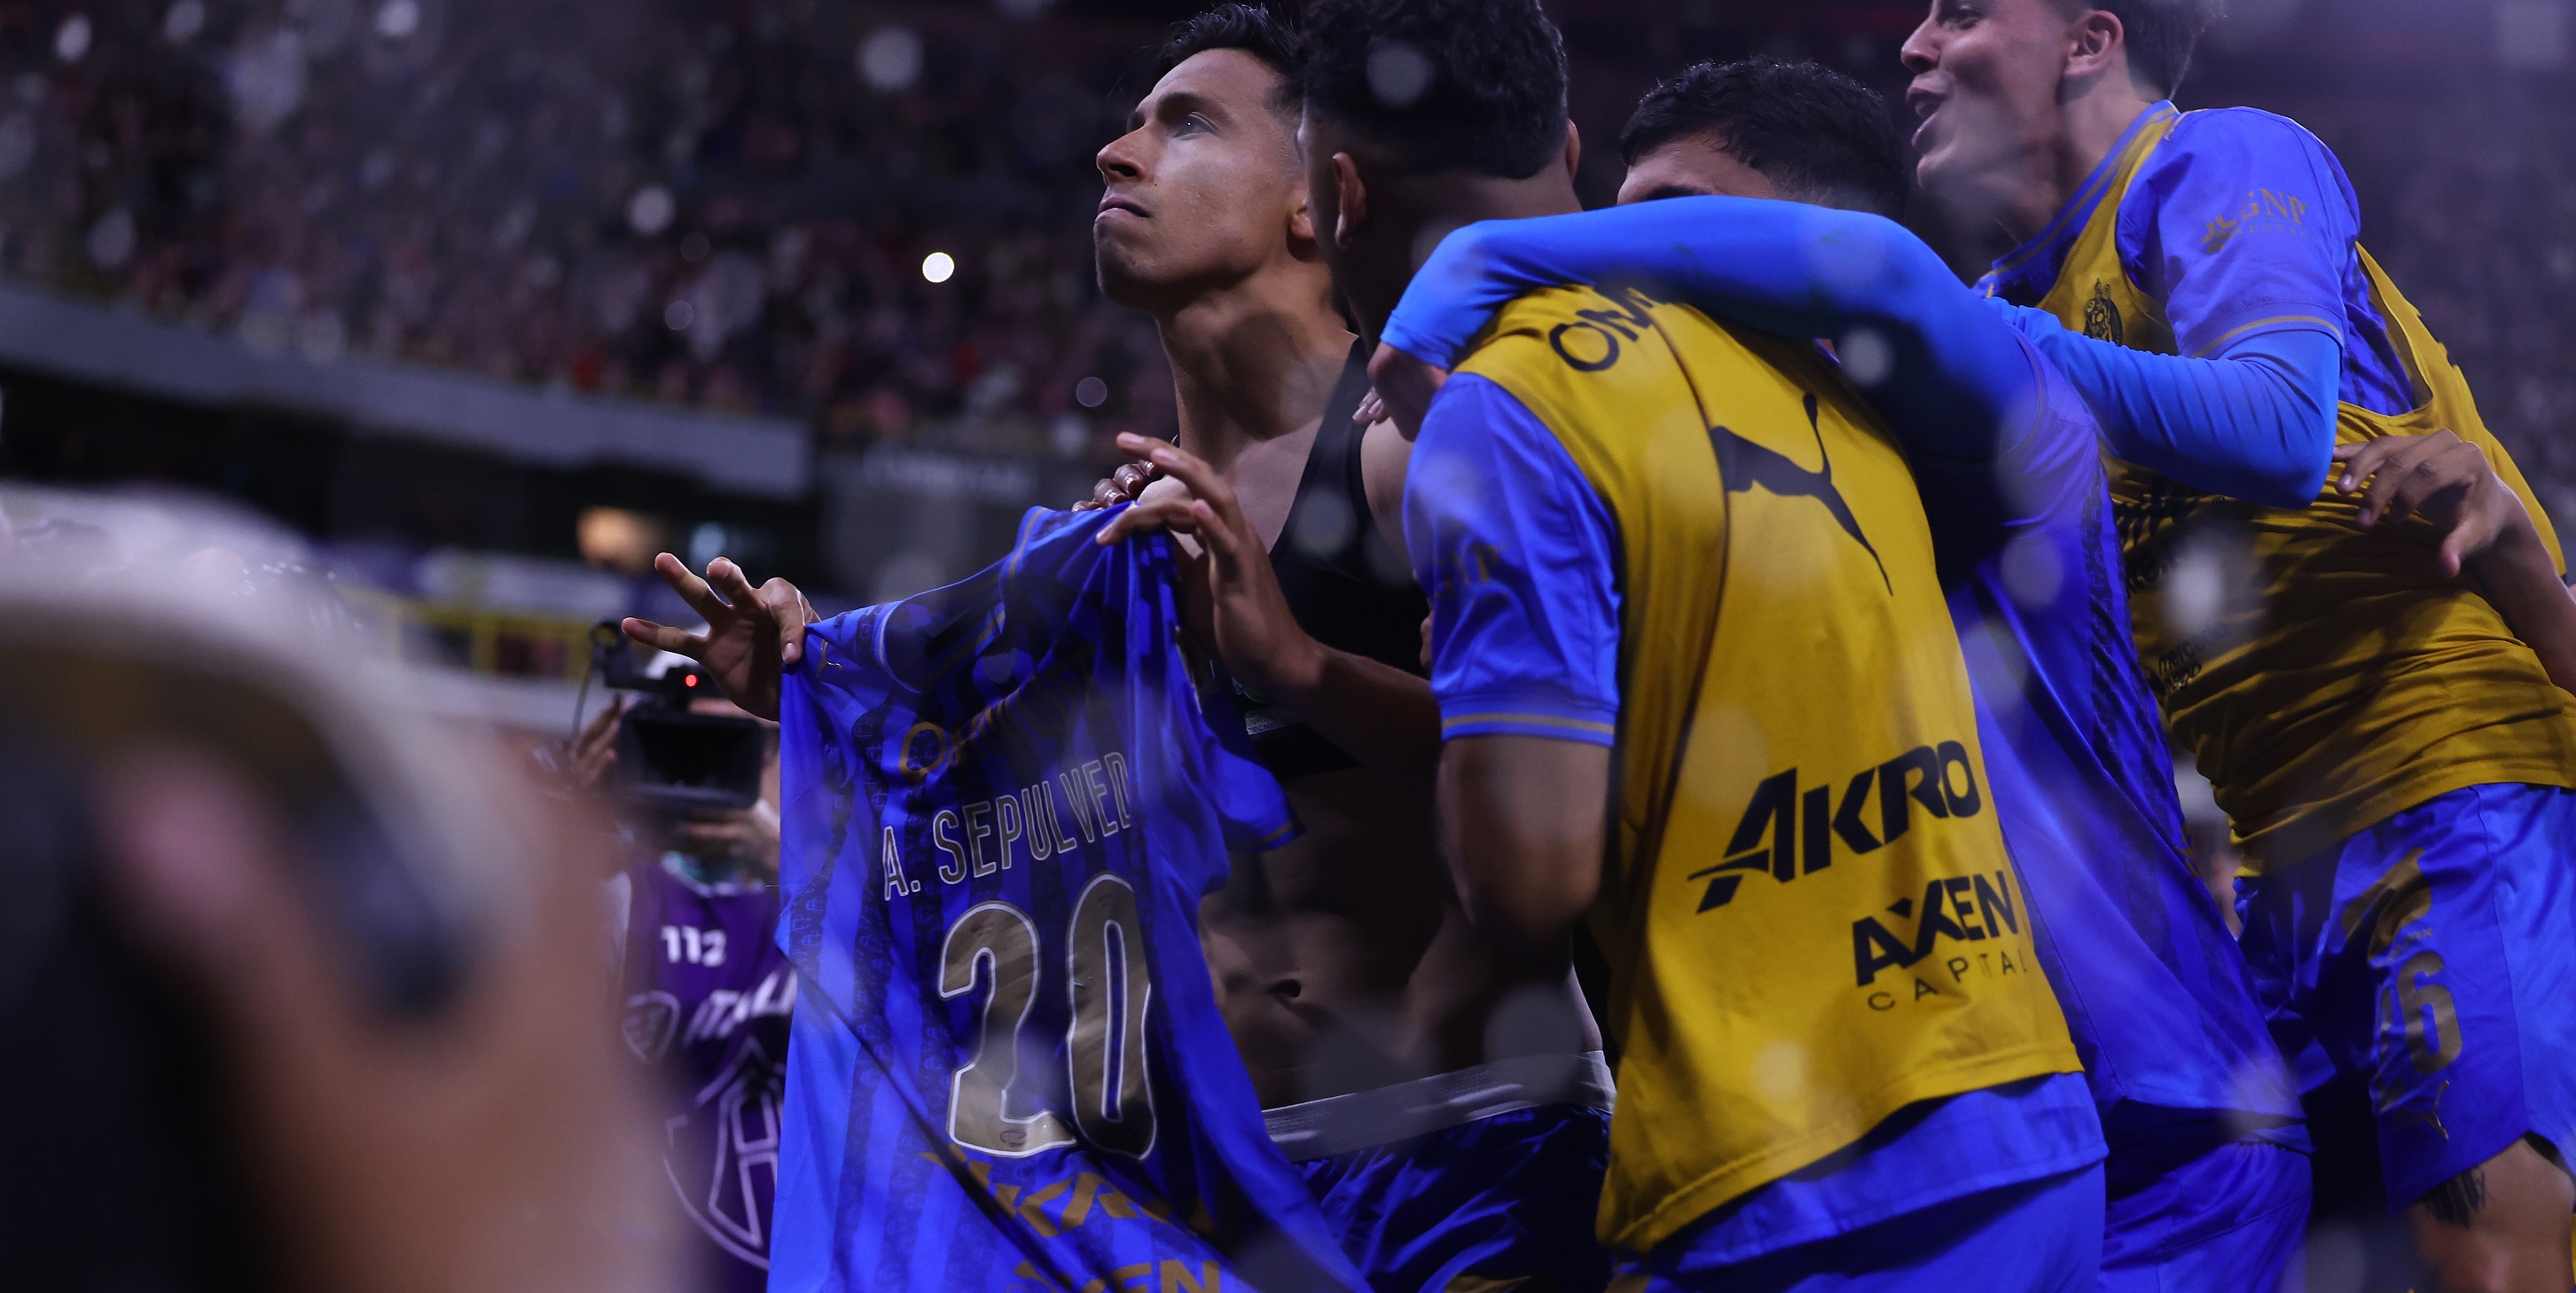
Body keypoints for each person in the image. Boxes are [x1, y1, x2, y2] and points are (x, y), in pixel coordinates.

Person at [1372, 56, 2312, 1289]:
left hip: (2157, 1118)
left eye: (1674, 229)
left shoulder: (1995, 419)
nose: (1629, 278)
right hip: (1927, 1125)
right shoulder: (1711, 497)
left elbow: (1879, 276)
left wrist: (1487, 261)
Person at [1299, 3, 2106, 1288]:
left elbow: (1525, 883)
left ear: (1338, 198)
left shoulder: (1506, 406)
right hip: (2035, 1126)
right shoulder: (1871, 385)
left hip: (1788, 1177)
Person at [1901, 0, 2576, 1283]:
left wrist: (1984, 347)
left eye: (1960, 8)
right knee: (2216, 1221)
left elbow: (2274, 424)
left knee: (2485, 1266)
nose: (1913, 43)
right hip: (2276, 866)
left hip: (2455, 793)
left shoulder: (2209, 159)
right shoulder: (2010, 299)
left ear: (2089, 41)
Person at [1083, 9, 1614, 1290]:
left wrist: (1301, 670)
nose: (1115, 152)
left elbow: (1592, 769)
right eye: (1136, 120)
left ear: (1320, 201)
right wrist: (822, 685)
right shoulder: (1106, 528)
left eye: (1185, 123)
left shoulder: (1412, 447)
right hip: (1225, 1172)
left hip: (1462, 1141)